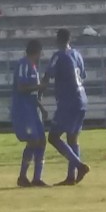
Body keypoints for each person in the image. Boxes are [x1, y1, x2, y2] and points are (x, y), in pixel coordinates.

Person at [42, 29, 91, 184]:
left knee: (53, 137)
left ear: (57, 40)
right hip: (82, 99)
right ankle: (71, 177)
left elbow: (48, 74)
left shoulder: (59, 55)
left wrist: (39, 94)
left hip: (68, 102)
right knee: (72, 139)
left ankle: (79, 166)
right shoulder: (77, 54)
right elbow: (83, 75)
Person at [12, 39, 49, 187]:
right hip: (23, 109)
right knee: (33, 141)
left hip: (33, 109)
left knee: (41, 141)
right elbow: (21, 88)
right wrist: (39, 86)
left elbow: (33, 93)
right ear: (38, 52)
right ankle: (22, 176)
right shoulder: (23, 64)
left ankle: (37, 178)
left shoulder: (33, 67)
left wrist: (41, 108)